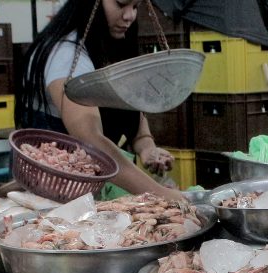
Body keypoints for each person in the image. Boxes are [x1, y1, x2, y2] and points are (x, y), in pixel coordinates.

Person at [16, 0, 181, 199]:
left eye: (135, 6)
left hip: (93, 186)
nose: (129, 15)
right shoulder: (66, 56)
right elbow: (91, 141)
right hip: (54, 192)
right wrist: (161, 193)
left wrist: (147, 147)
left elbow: (130, 109)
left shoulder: (108, 42)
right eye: (121, 4)